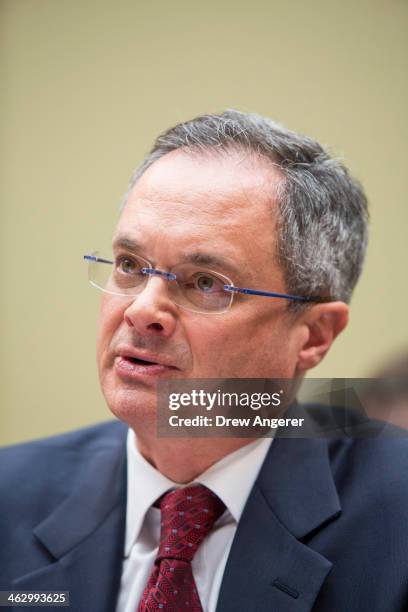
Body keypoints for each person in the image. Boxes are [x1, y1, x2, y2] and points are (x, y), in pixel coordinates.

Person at [1, 110, 407, 612]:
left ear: (313, 335)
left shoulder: (396, 523)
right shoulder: (9, 494)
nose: (143, 308)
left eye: (206, 282)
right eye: (130, 266)